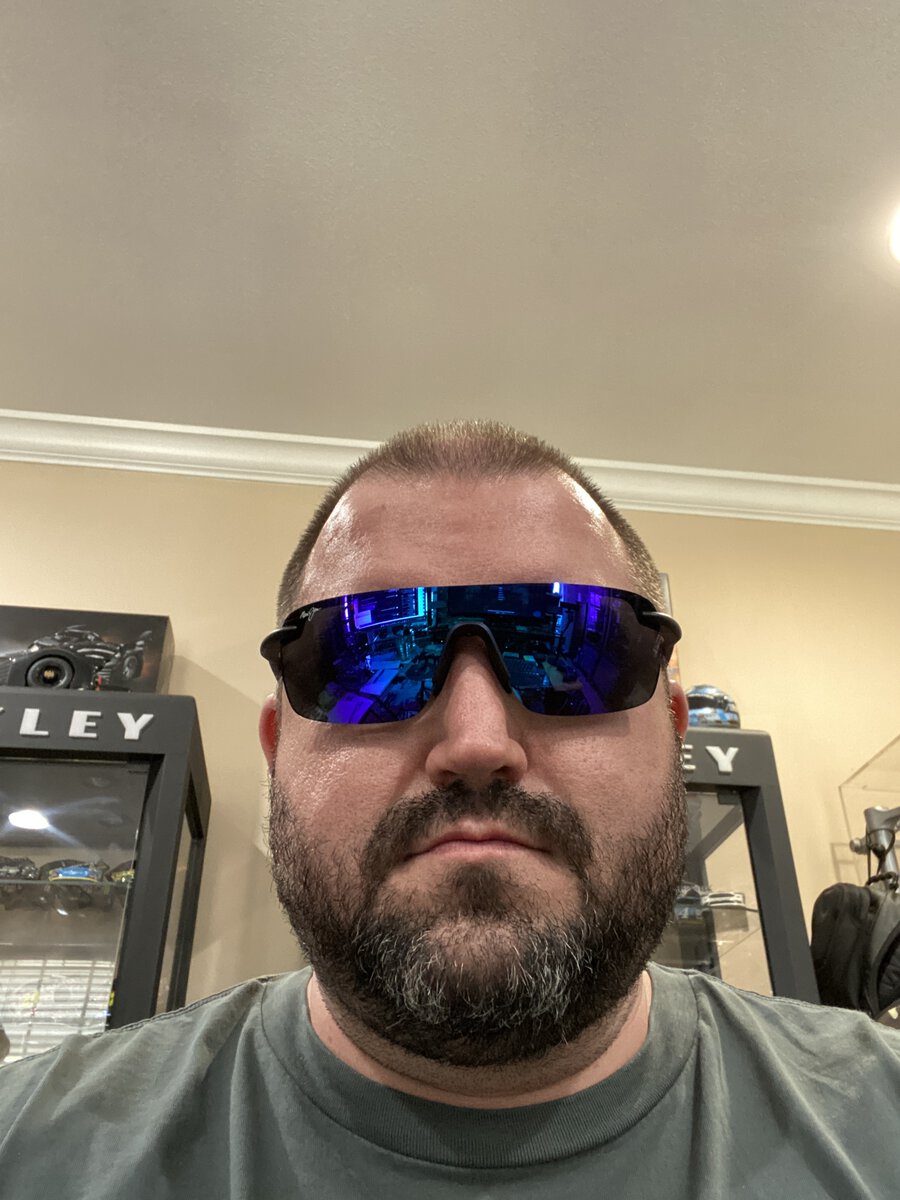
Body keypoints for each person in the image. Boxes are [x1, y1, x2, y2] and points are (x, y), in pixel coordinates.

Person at [1, 419, 899, 1198]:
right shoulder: (31, 1150)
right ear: (279, 752)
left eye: (574, 651)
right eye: (365, 661)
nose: (475, 742)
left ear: (673, 735)